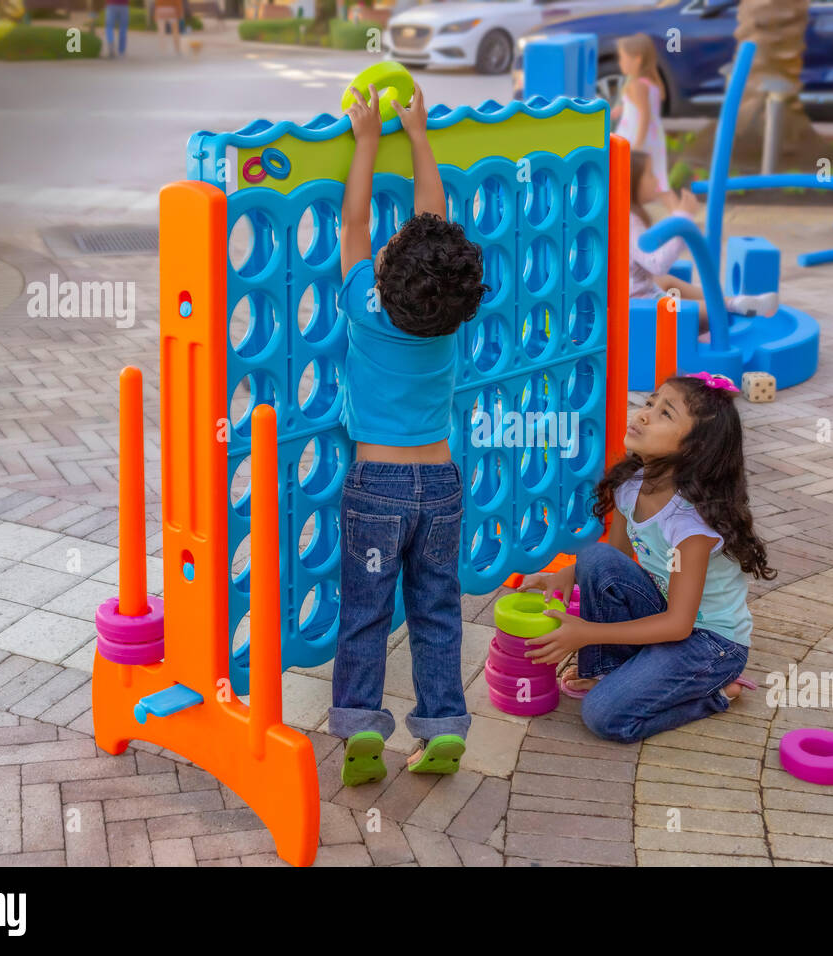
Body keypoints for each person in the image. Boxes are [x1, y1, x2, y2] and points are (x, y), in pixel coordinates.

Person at [330, 81, 490, 787]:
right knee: (436, 611)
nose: (391, 237)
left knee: (365, 611)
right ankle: (443, 727)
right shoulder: (449, 317)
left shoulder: (367, 305)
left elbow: (352, 225)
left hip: (378, 487)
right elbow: (435, 222)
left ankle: (363, 724)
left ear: (386, 272)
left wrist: (368, 141)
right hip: (442, 488)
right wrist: (420, 136)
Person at [516, 373, 775, 743]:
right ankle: (606, 669)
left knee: (602, 716)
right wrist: (567, 575)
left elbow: (679, 626)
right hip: (667, 616)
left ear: (695, 448)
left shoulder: (689, 526)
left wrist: (587, 633)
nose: (643, 415)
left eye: (665, 414)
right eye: (650, 403)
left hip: (710, 644)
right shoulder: (631, 485)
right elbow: (616, 558)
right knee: (596, 554)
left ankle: (715, 694)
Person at [628, 150, 769, 330]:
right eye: (650, 174)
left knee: (668, 281)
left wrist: (675, 218)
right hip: (637, 307)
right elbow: (657, 263)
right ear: (632, 181)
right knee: (709, 313)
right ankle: (728, 306)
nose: (656, 179)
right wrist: (682, 217)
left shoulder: (628, 215)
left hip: (634, 292)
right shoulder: (629, 222)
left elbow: (650, 252)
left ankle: (728, 300)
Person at [611, 33, 670, 198]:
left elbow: (644, 114)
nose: (620, 62)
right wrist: (623, 108)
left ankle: (625, 211)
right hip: (654, 138)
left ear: (637, 59)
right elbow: (646, 105)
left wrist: (637, 144)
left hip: (636, 136)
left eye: (622, 57)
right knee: (658, 181)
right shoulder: (652, 83)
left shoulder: (636, 86)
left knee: (623, 176)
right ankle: (678, 211)